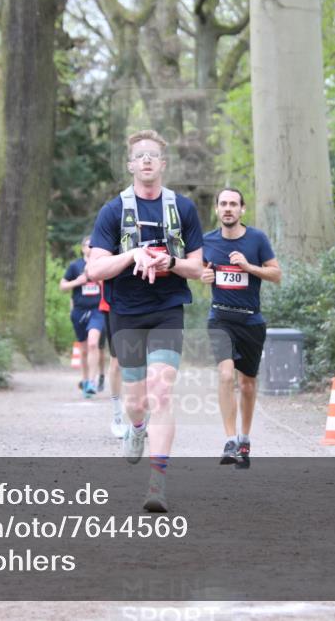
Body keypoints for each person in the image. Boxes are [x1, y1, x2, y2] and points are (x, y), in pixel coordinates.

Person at [87, 129, 204, 512]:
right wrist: (133, 255)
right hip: (127, 312)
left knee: (161, 392)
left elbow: (198, 268)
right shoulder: (113, 211)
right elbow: (94, 270)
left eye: (153, 155)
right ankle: (136, 429)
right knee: (136, 403)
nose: (147, 160)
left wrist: (171, 261)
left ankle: (157, 484)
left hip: (167, 309)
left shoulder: (182, 209)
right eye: (140, 156)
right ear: (131, 165)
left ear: (163, 164)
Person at [200, 188, 281, 469]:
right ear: (217, 209)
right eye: (223, 204)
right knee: (225, 375)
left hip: (250, 321)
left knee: (247, 384)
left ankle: (245, 438)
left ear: (242, 209)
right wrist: (203, 275)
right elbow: (198, 269)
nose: (228, 208)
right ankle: (230, 440)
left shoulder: (257, 239)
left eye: (233, 204)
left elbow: (276, 274)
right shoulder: (207, 241)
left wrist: (248, 266)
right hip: (220, 319)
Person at [59, 235, 105, 398]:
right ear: (82, 248)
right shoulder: (75, 266)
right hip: (79, 311)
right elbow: (62, 286)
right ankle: (85, 381)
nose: (90, 248)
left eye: (93, 245)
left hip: (98, 310)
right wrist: (78, 281)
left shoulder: (102, 264)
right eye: (87, 245)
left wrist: (98, 280)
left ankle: (92, 381)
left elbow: (110, 285)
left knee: (93, 343)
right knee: (84, 350)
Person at [97, 279, 127, 437]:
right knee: (117, 361)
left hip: (148, 304)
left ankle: (143, 415)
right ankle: (117, 417)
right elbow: (94, 270)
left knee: (148, 362)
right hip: (114, 305)